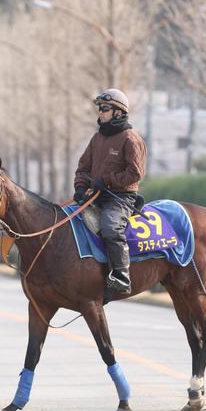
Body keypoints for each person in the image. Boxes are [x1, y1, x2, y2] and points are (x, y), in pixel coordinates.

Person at [73, 88, 147, 295]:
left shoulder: (131, 139)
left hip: (120, 198)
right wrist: (80, 187)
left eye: (104, 108)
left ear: (117, 112)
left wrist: (106, 181)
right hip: (95, 194)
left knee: (110, 228)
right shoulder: (97, 139)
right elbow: (83, 167)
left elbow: (135, 173)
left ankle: (122, 275)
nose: (100, 112)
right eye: (99, 108)